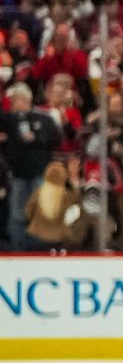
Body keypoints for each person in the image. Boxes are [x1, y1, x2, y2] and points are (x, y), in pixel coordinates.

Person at [3, 82, 62, 251]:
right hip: (18, 175)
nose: (12, 103)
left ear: (24, 99)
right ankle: (18, 250)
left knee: (40, 213)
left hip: (39, 173)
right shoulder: (10, 119)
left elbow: (56, 138)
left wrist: (36, 137)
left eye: (14, 99)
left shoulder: (44, 118)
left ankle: (39, 250)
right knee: (17, 215)